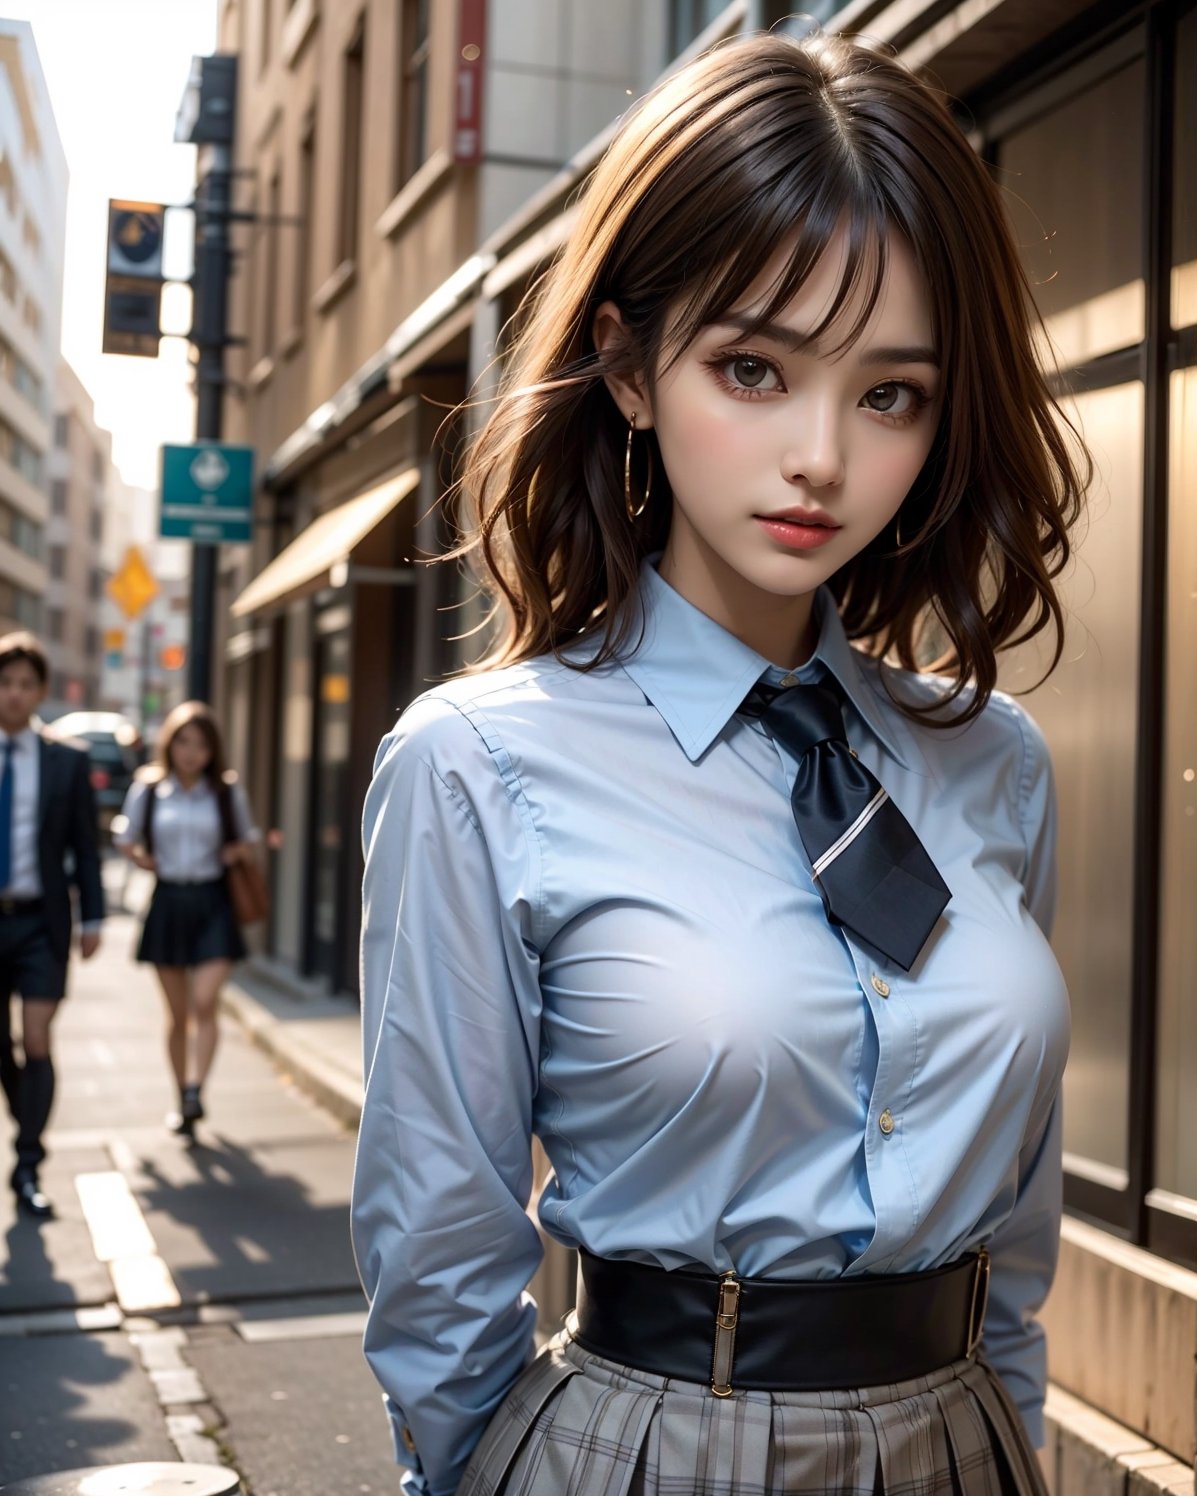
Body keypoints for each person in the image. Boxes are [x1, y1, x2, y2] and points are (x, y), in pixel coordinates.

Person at [351, 29, 1090, 1496]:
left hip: (964, 1448)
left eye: (892, 394)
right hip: (641, 1452)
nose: (819, 455)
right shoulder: (481, 767)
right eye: (753, 367)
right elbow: (438, 1257)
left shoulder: (992, 762)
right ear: (626, 365)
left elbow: (1019, 1226)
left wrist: (1013, 1444)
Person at [112, 701, 257, 1139]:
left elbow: (248, 839)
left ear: (214, 751)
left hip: (214, 902)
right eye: (183, 742)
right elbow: (123, 833)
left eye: (201, 745)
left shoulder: (227, 792)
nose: (191, 753)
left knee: (205, 1002)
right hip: (169, 901)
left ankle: (197, 1088)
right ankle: (182, 1096)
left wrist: (235, 852)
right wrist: (138, 856)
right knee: (177, 1015)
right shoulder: (150, 789)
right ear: (169, 745)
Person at [0, 631, 104, 1219]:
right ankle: (29, 1113)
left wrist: (92, 916)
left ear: (39, 691)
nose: (14, 695)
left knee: (37, 1039)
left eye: (24, 684)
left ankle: (28, 1162)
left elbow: (85, 850)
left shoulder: (66, 761)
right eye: (5, 683)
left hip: (41, 923)